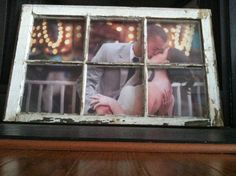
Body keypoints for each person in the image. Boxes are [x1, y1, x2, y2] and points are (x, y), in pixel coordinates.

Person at [83, 24, 188, 115]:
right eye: (156, 49)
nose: (156, 54)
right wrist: (95, 106)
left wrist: (162, 111)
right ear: (143, 40)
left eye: (161, 51)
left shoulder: (153, 66)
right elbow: (84, 82)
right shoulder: (108, 50)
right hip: (99, 116)